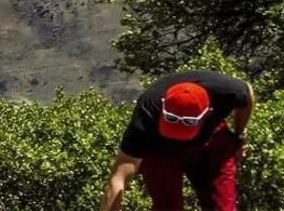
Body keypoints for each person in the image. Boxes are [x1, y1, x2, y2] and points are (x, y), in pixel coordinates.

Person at [99, 70, 256, 211]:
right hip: (160, 149)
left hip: (210, 141)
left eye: (187, 123)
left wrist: (239, 135)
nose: (178, 134)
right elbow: (119, 176)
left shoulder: (228, 90)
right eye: (171, 119)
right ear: (163, 107)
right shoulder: (147, 113)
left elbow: (247, 94)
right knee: (167, 206)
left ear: (208, 113)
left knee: (223, 207)